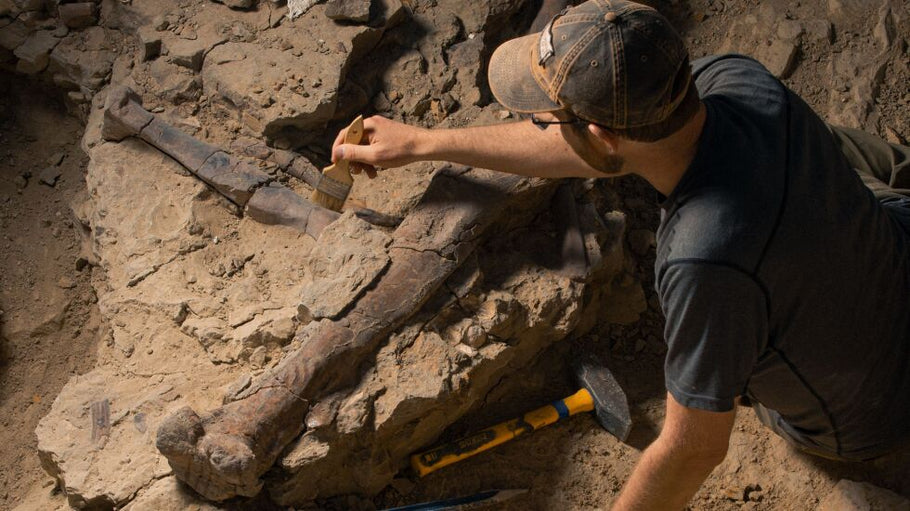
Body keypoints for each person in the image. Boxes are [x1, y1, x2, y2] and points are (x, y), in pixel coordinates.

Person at [331, 1, 910, 508]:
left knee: (740, 337)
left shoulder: (702, 262)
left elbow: (694, 450)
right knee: (835, 155)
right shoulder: (737, 80)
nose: (540, 126)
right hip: (887, 247)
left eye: (548, 120)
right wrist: (425, 143)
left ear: (604, 134)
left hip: (868, 412)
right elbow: (599, 148)